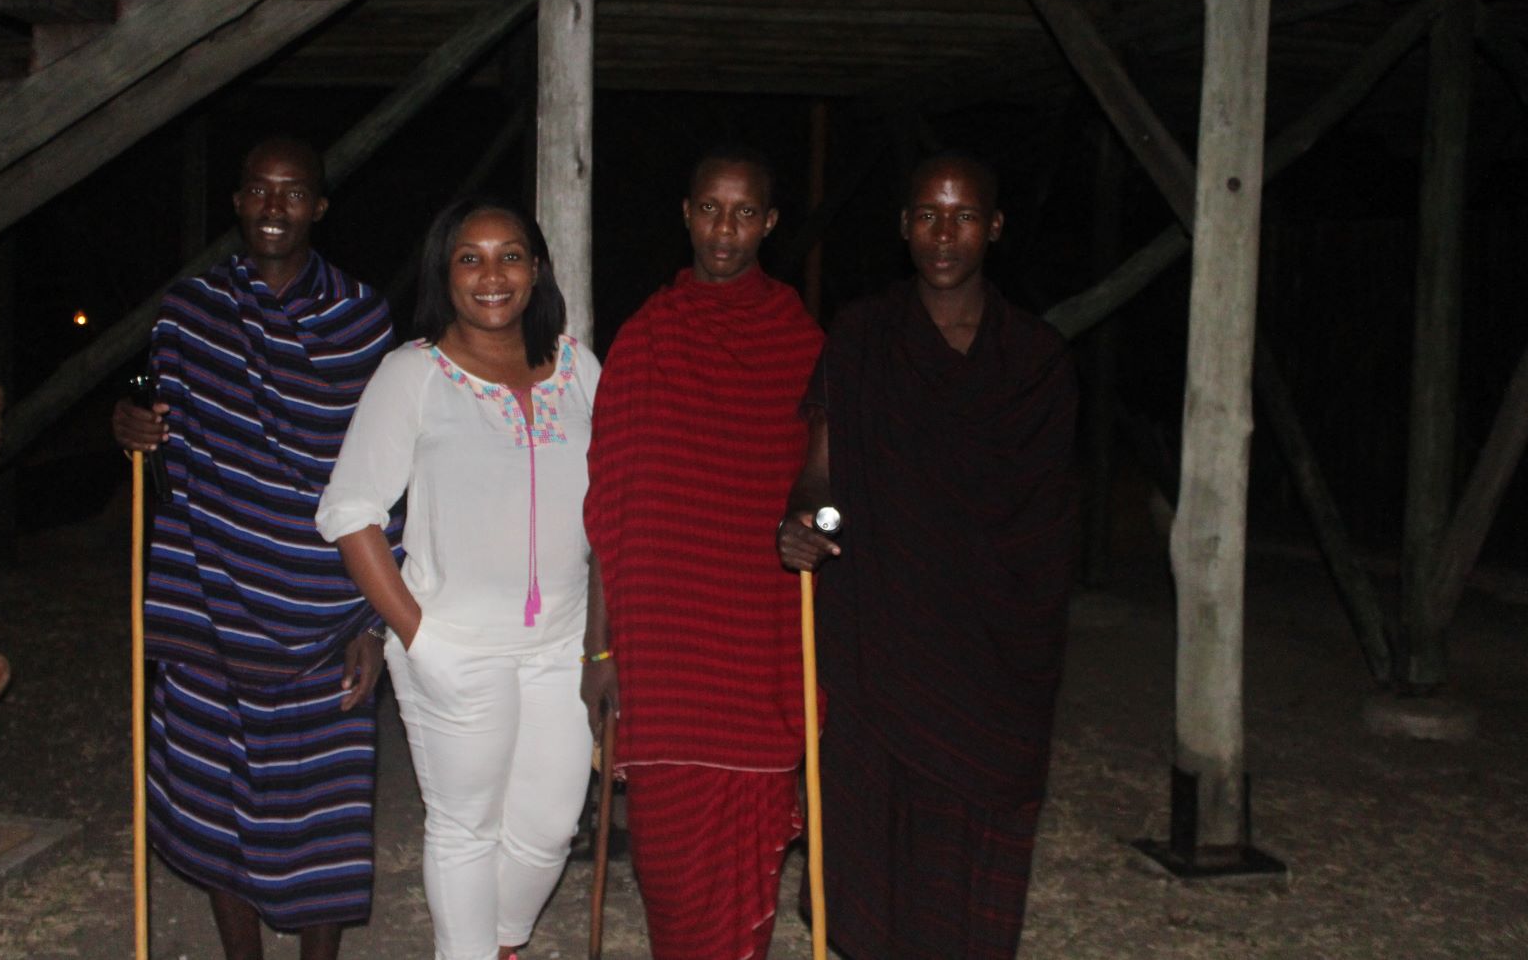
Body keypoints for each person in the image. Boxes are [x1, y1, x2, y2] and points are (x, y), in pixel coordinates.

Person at [778, 153, 1080, 960]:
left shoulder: (1036, 359)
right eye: (926, 215)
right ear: (903, 226)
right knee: (872, 825)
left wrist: (1019, 620)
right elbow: (821, 462)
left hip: (993, 641)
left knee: (971, 844)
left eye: (964, 216)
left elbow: (1048, 519)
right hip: (883, 622)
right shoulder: (864, 334)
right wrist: (802, 517)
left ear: (995, 228)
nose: (944, 234)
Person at [113, 136, 396, 960]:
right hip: (209, 598)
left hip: (326, 609)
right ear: (237, 202)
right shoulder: (190, 312)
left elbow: (389, 474)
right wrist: (130, 432)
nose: (275, 207)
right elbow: (174, 449)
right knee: (214, 801)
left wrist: (372, 622)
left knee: (325, 818)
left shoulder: (360, 319)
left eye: (293, 193)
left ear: (319, 207)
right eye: (259, 191)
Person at [316, 197, 600, 960]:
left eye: (510, 255)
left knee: (549, 827)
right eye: (469, 258)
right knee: (466, 827)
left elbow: (617, 494)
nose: (492, 275)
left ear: (536, 269)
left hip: (563, 641)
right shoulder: (412, 374)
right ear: (446, 274)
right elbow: (349, 511)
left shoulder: (577, 366)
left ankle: (502, 943)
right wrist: (417, 633)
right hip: (454, 642)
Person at [582, 150, 824, 960]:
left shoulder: (802, 344)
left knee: (744, 860)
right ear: (685, 214)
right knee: (672, 872)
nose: (726, 229)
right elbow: (609, 510)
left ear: (770, 222)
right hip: (665, 652)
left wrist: (816, 529)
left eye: (745, 212)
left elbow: (829, 489)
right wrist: (600, 647)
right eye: (711, 210)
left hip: (757, 651)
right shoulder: (645, 338)